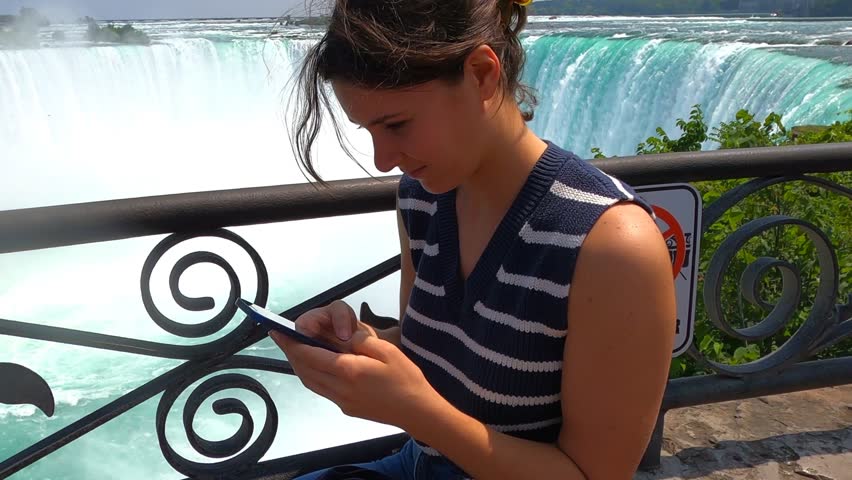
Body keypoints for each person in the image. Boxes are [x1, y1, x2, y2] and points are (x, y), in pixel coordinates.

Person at [273, 1, 677, 479]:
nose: (382, 160)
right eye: (368, 131)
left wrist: (417, 412)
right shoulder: (423, 198)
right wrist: (361, 345)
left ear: (482, 75)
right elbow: (432, 348)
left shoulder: (611, 246)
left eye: (397, 125)